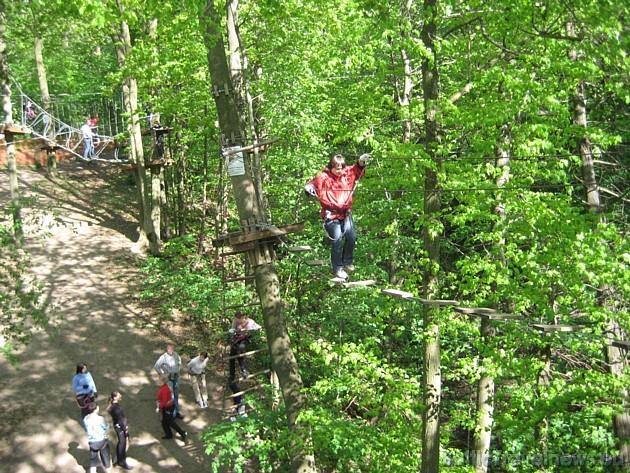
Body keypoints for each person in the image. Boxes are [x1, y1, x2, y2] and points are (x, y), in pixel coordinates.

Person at [304, 153, 369, 280]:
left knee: (352, 236)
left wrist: (361, 161)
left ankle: (347, 262)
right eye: (337, 167)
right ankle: (337, 268)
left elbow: (357, 169)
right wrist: (309, 188)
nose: (340, 170)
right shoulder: (323, 177)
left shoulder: (347, 174)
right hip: (331, 215)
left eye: (341, 167)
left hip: (345, 213)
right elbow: (312, 184)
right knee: (337, 240)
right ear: (331, 167)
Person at [228, 311, 262, 382]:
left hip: (245, 338)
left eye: (237, 319)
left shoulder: (250, 322)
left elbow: (257, 327)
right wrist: (233, 331)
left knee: (240, 349)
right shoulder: (235, 322)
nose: (236, 320)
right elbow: (234, 329)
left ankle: (243, 369)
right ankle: (231, 375)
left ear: (242, 318)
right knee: (232, 354)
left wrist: (256, 329)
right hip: (236, 338)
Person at [153, 344, 183, 419]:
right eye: (169, 349)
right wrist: (163, 374)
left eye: (171, 349)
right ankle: (172, 414)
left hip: (175, 377)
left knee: (176, 394)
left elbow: (179, 362)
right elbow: (156, 366)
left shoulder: (176, 355)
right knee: (171, 395)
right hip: (168, 378)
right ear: (167, 350)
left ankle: (177, 412)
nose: (170, 351)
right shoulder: (163, 357)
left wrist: (178, 370)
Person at [83, 402, 112, 473]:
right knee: (106, 457)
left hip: (92, 442)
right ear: (95, 409)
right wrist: (107, 425)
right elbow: (105, 427)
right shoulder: (100, 419)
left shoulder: (85, 419)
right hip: (101, 441)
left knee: (93, 460)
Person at [106, 391, 133, 470]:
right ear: (115, 398)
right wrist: (125, 429)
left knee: (121, 442)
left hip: (117, 426)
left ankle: (118, 458)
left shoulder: (113, 406)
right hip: (120, 428)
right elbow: (121, 420)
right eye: (118, 395)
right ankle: (122, 461)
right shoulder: (116, 408)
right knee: (122, 443)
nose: (120, 395)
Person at [156, 375, 187, 442]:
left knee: (170, 422)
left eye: (159, 380)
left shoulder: (164, 389)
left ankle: (182, 432)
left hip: (168, 407)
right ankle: (168, 434)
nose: (158, 381)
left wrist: (159, 407)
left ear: (163, 381)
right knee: (164, 421)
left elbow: (164, 400)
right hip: (166, 406)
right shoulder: (164, 387)